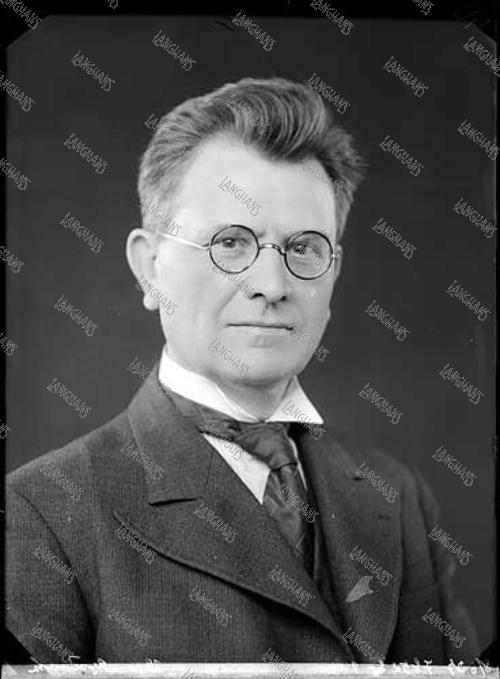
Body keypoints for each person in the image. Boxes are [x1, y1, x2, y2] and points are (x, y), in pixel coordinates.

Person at [5, 76, 479, 664]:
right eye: (231, 242)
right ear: (150, 267)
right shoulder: (40, 513)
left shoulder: (398, 496)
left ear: (334, 271)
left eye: (304, 248)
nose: (272, 285)